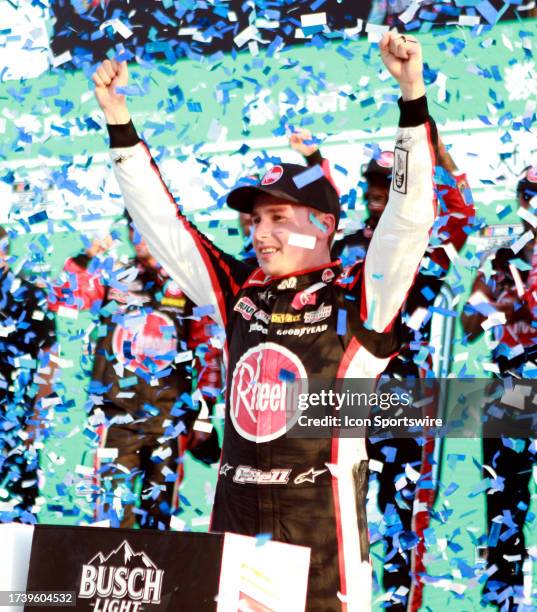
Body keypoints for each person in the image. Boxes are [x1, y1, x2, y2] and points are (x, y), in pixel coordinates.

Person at [93, 32, 437, 610]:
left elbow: (408, 219)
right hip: (235, 533)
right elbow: (163, 225)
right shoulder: (237, 290)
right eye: (255, 221)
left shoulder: (361, 293)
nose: (261, 233)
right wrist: (120, 125)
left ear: (323, 226)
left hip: (321, 542)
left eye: (278, 217)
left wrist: (411, 96)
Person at [289, 127, 475, 609]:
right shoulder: (345, 248)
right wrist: (313, 157)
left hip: (405, 401)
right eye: (372, 181)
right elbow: (316, 213)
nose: (377, 191)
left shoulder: (425, 252)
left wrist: (436, 153)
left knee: (401, 519)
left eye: (389, 181)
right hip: (344, 397)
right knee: (334, 516)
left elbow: (463, 213)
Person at [50, 219, 222, 529]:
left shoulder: (187, 282)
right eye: (133, 227)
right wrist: (89, 254)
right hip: (118, 418)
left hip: (169, 421)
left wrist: (204, 416)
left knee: (159, 519)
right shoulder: (115, 274)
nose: (139, 235)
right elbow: (63, 298)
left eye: (145, 224)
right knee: (112, 518)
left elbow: (208, 355)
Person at [461, 164, 537, 611]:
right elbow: (470, 324)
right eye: (529, 197)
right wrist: (494, 290)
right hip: (512, 384)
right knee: (506, 499)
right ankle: (503, 599)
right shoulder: (502, 250)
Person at [0, 225, 57, 523]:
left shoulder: (30, 296)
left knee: (20, 510)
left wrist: (37, 417)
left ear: (4, 254)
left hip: (15, 418)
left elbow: (50, 358)